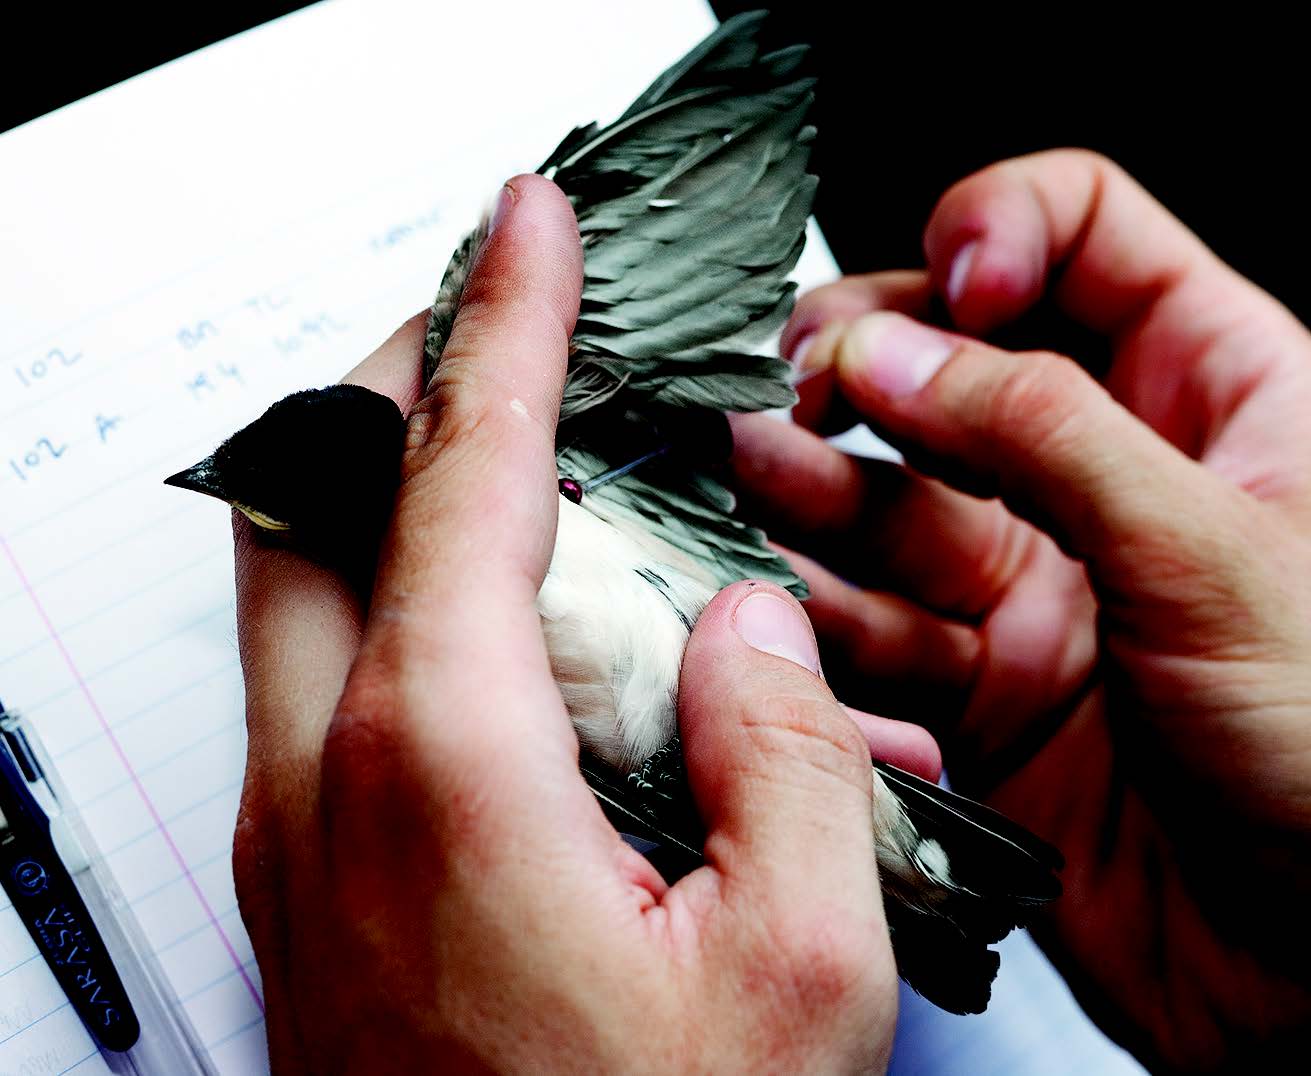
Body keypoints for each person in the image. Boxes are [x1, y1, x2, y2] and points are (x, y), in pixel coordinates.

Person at [231, 152, 1311, 1072]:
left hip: (695, 698)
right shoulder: (420, 625)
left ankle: (924, 880)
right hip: (679, 760)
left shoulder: (419, 626)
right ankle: (929, 882)